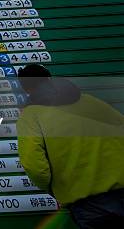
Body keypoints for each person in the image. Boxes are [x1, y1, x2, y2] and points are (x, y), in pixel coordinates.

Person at [16, 64, 124, 228]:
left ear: (26, 89)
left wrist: (53, 187)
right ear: (49, 80)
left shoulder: (31, 116)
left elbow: (34, 165)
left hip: (88, 202)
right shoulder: (91, 101)